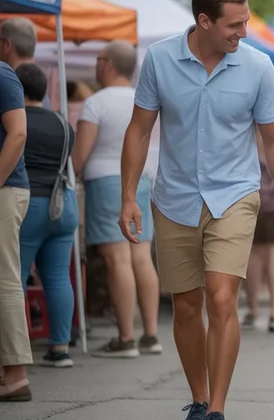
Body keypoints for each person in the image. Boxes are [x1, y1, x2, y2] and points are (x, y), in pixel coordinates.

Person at [119, 0, 274, 420]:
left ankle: (217, 413)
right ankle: (197, 401)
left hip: (234, 195)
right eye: (235, 24)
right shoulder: (160, 59)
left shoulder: (258, 66)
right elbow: (139, 131)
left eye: (245, 22)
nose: (243, 32)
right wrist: (128, 196)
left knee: (222, 299)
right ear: (204, 20)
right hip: (174, 195)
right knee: (185, 304)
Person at [72, 41, 163, 358]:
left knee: (117, 260)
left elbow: (80, 155)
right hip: (143, 180)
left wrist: (69, 175)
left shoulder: (96, 103)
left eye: (98, 60)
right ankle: (150, 334)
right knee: (141, 257)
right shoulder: (146, 97)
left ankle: (125, 337)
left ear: (107, 64)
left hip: (106, 180)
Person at [15, 63, 79, 368]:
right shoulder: (64, 123)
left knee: (12, 279)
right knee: (57, 278)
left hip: (29, 204)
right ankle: (60, 348)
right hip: (63, 204)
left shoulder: (14, 121)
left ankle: (12, 354)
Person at [0, 61, 31, 401]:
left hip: (6, 189)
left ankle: (17, 376)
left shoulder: (2, 74)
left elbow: (18, 132)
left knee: (5, 279)